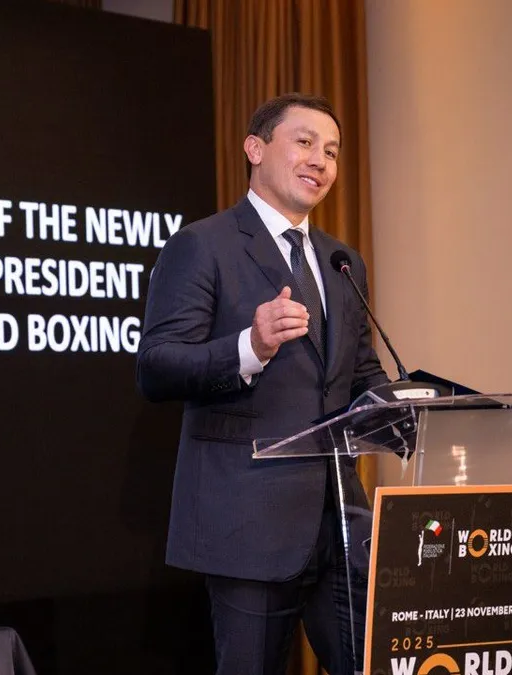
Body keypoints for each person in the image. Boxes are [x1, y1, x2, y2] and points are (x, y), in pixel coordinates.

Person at [135, 93, 390, 675]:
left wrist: (410, 408)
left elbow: (359, 373)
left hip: (341, 521)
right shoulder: (203, 245)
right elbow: (156, 366)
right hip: (247, 522)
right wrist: (250, 345)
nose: (321, 160)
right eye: (305, 142)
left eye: (332, 151)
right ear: (255, 148)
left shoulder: (342, 261)